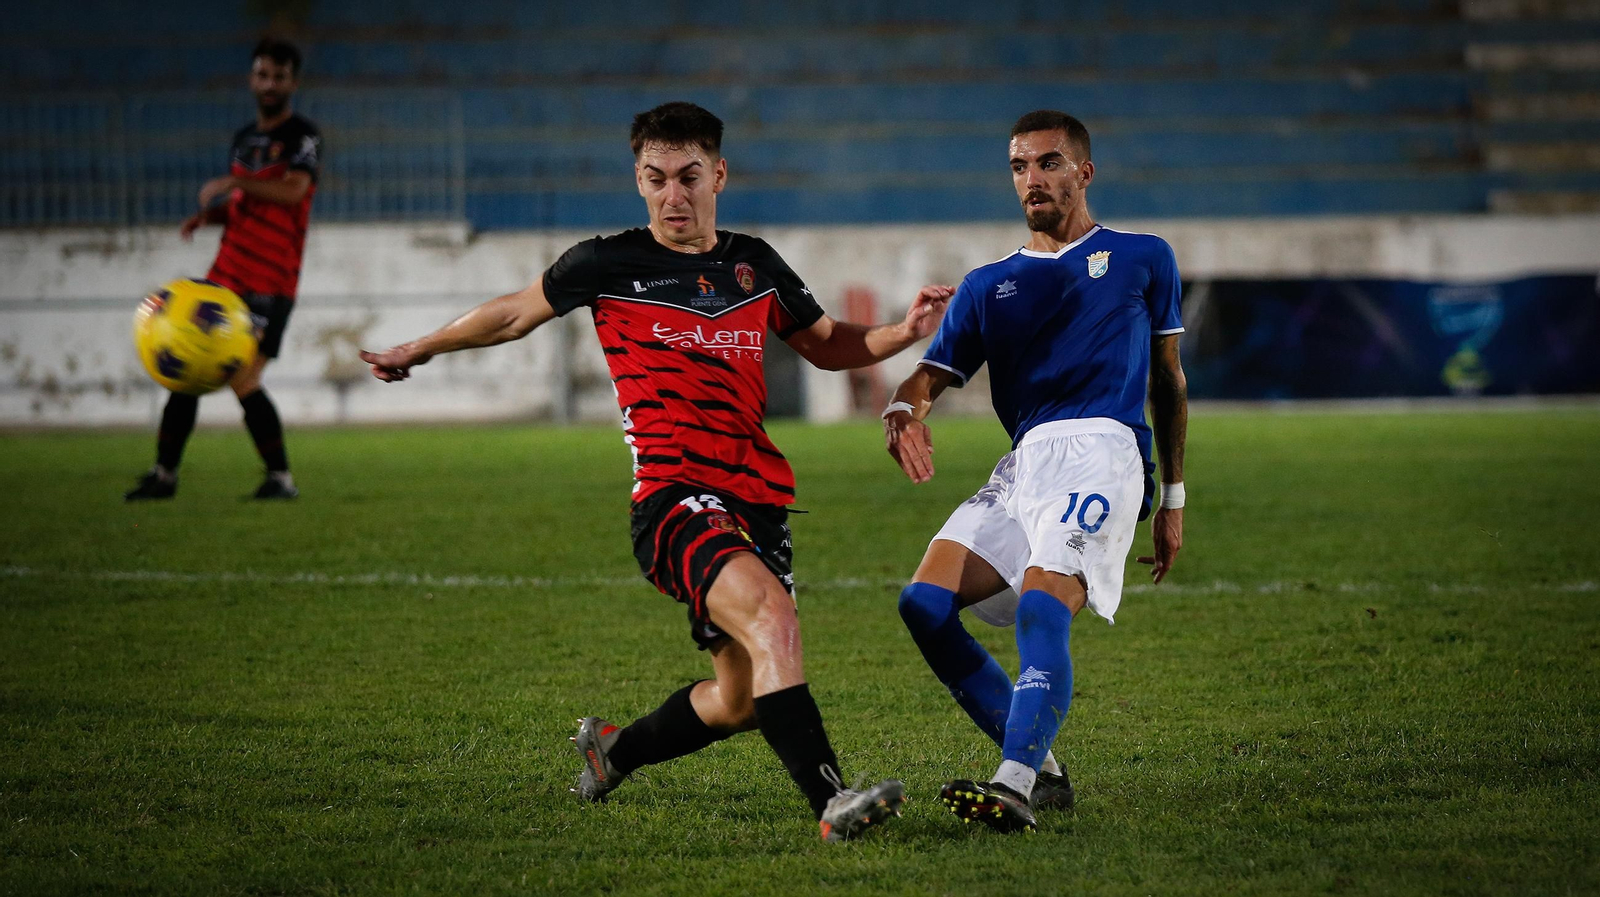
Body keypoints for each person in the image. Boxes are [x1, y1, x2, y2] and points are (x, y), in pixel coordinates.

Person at [359, 102, 951, 841]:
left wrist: (903, 329)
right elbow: (512, 314)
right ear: (638, 181)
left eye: (688, 177)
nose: (673, 195)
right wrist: (420, 347)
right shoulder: (606, 263)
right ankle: (832, 804)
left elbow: (826, 342)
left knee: (739, 697)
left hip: (758, 496)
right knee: (773, 616)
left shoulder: (754, 264)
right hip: (674, 498)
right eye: (656, 178)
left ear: (719, 176)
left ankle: (616, 749)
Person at [882, 110, 1189, 833]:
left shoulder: (1145, 256)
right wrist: (902, 409)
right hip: (1026, 464)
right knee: (922, 604)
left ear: (1084, 171)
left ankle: (1012, 782)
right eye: (1019, 166)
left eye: (1049, 163)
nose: (1032, 179)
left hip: (1107, 453)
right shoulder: (990, 285)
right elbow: (927, 376)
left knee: (1044, 604)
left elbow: (1168, 382)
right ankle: (1043, 770)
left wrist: (1172, 496)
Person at [125, 38, 320, 501]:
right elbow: (244, 205)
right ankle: (164, 476)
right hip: (225, 277)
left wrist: (237, 181)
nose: (269, 84)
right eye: (262, 75)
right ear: (252, 79)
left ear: (292, 82)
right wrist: (210, 217)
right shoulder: (244, 139)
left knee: (245, 379)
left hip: (271, 282)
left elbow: (293, 193)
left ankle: (281, 480)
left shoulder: (302, 136)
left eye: (278, 76)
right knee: (185, 368)